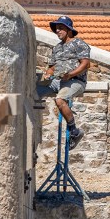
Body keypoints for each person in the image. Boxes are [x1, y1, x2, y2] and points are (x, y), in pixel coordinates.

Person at [42, 15, 90, 147]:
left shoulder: (79, 44)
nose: (57, 30)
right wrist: (47, 74)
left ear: (69, 30)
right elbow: (52, 67)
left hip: (75, 81)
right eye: (56, 28)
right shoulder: (57, 48)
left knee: (60, 100)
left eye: (60, 28)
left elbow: (85, 64)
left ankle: (75, 131)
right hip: (58, 81)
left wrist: (70, 75)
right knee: (34, 89)